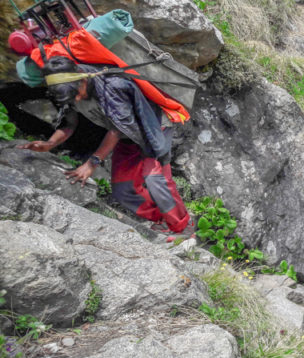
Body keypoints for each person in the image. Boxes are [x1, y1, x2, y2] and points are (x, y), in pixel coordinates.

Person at [17, 56, 193, 235]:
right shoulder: (68, 89)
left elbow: (117, 129)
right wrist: (49, 144)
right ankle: (164, 219)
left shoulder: (112, 86)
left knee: (155, 178)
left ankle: (184, 228)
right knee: (123, 190)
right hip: (129, 136)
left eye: (78, 93)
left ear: (82, 77)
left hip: (153, 127)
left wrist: (91, 163)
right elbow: (69, 123)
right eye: (73, 98)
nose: (77, 99)